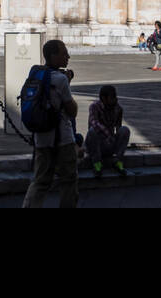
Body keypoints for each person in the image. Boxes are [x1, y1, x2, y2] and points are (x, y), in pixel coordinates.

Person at [22, 39, 80, 208]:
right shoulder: (60, 79)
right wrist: (67, 83)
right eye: (64, 53)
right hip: (62, 139)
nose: (67, 56)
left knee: (40, 181)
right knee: (69, 181)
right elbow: (72, 110)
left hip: (42, 137)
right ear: (54, 56)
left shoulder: (35, 74)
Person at [84, 84, 131, 178]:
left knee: (125, 130)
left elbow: (118, 127)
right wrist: (108, 135)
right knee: (93, 131)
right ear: (103, 98)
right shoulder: (94, 107)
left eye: (115, 96)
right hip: (96, 145)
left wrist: (116, 139)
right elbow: (94, 123)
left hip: (109, 144)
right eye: (112, 97)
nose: (115, 99)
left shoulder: (118, 108)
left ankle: (118, 161)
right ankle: (97, 164)